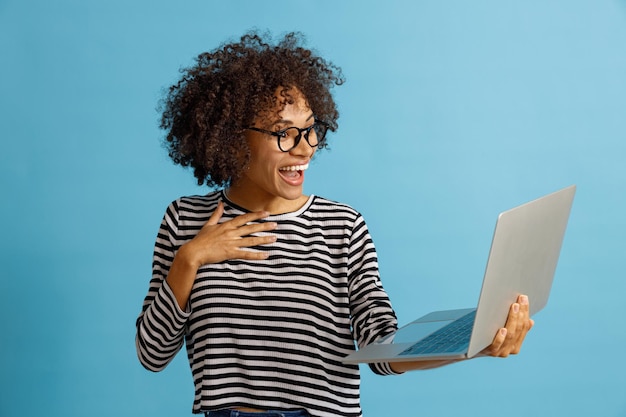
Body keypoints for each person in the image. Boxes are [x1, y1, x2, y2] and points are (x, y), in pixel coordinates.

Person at [135, 31, 534, 417]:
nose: (305, 147)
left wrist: (472, 342)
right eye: (283, 134)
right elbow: (152, 354)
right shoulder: (186, 220)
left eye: (310, 130)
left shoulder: (341, 226)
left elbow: (380, 347)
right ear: (233, 138)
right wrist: (190, 258)